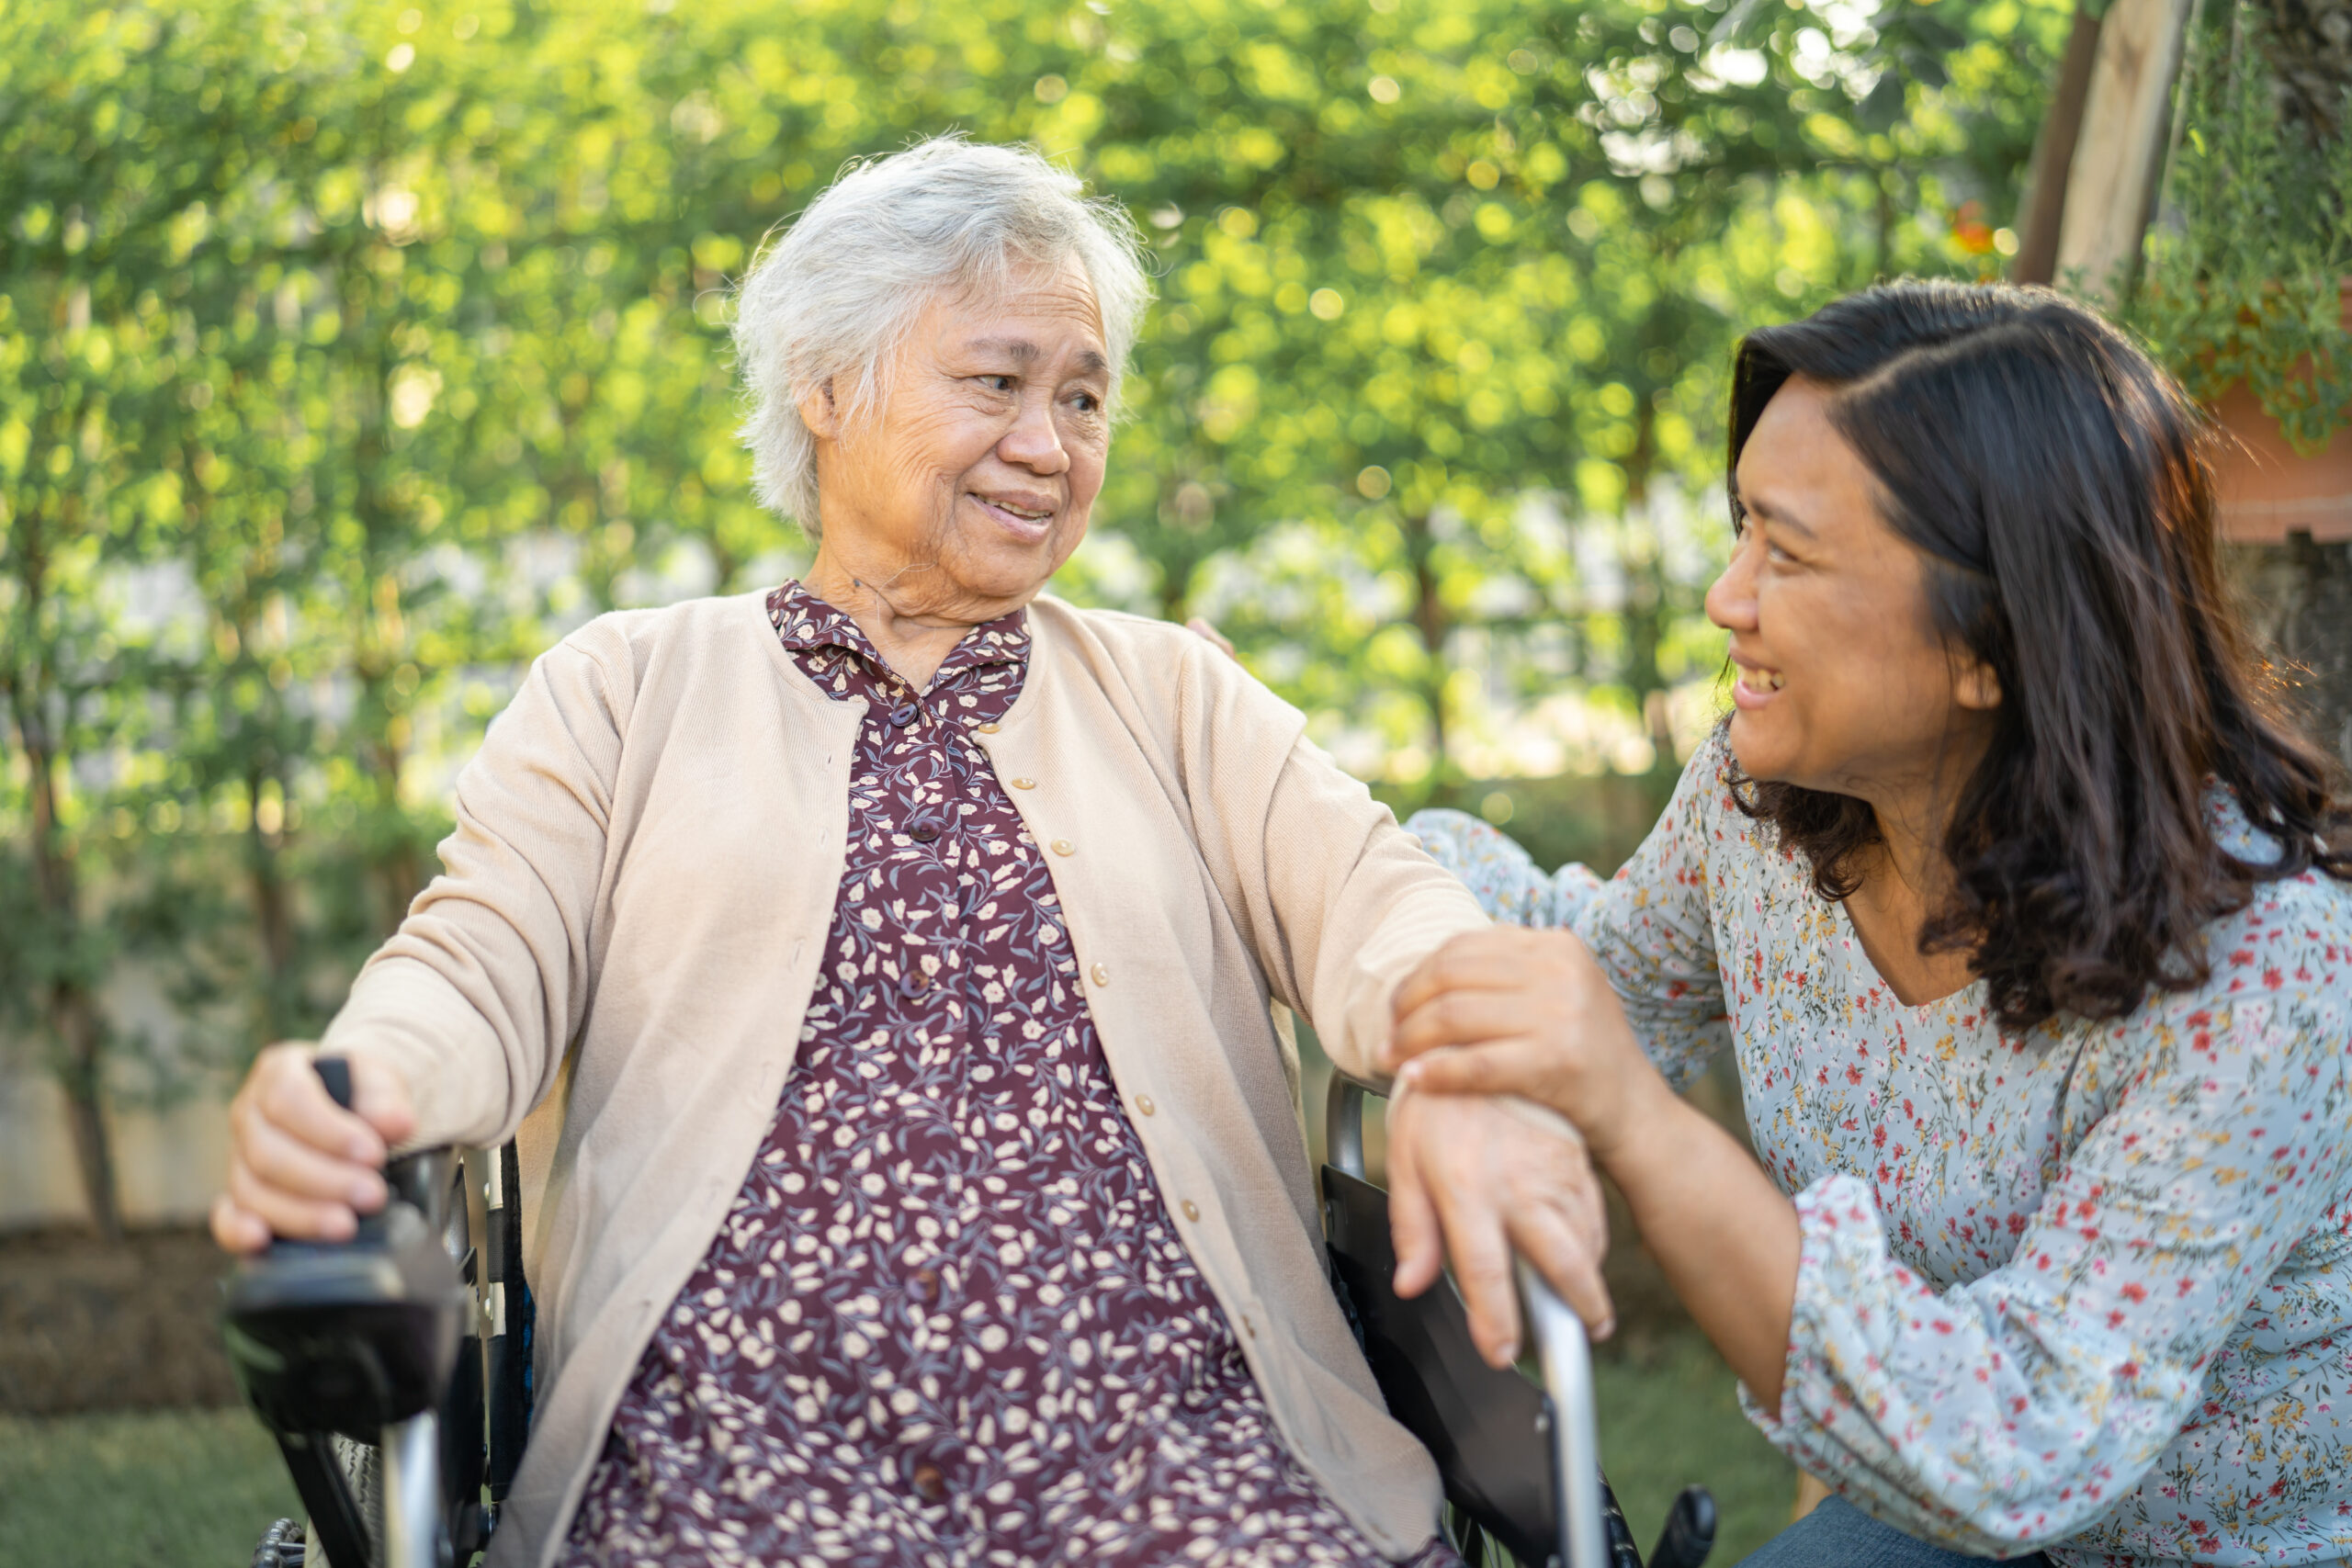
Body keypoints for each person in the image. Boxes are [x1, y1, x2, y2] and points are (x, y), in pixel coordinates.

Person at [208, 137, 1605, 1568]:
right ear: (825, 387)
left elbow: (1384, 905)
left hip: (1172, 1433)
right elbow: (480, 956)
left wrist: (1462, 1061)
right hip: (725, 1446)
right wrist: (355, 1091)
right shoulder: (626, 688)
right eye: (996, 383)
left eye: (1083, 397)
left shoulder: (1179, 698)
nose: (1051, 445)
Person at [1385, 280, 2352, 1566]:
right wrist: (1305, 830)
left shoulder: (2269, 965)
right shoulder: (1763, 806)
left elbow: (2016, 1445)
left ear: (1991, 643)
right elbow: (1603, 981)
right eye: (1739, 530)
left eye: (1786, 553)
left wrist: (1638, 1121)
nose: (1728, 598)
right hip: (1941, 1509)